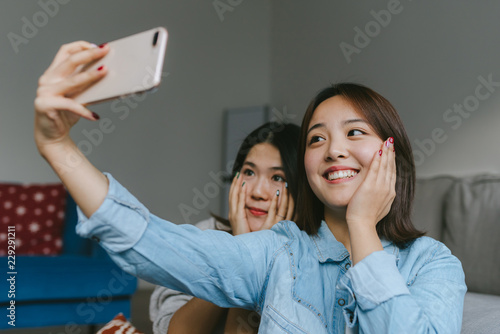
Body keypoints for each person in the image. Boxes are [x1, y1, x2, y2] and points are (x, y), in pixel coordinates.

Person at [34, 42, 466, 333]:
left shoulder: (435, 265)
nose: (334, 149)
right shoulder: (277, 250)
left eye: (355, 133)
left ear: (393, 152)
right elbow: (151, 241)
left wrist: (362, 227)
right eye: (317, 138)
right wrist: (58, 147)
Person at [150, 121, 300, 334]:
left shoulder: (313, 256)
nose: (258, 191)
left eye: (277, 177)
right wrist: (236, 253)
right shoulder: (204, 236)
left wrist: (259, 256)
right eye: (249, 172)